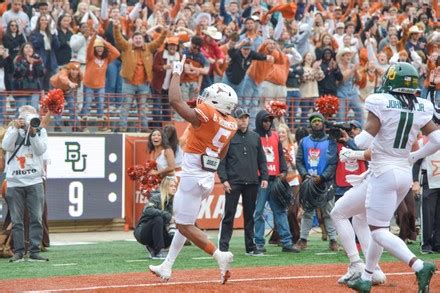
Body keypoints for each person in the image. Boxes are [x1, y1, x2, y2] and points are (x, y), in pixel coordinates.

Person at [341, 62, 437, 292]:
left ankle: (419, 265)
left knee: (379, 231)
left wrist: (351, 145)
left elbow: (364, 141)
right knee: (379, 225)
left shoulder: (380, 101)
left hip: (383, 171)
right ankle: (366, 277)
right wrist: (415, 156)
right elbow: (437, 140)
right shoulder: (422, 105)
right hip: (404, 171)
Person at [149, 56, 238, 284]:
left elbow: (176, 102)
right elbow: (223, 153)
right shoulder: (232, 123)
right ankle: (167, 266)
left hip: (192, 176)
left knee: (182, 224)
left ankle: (219, 255)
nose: (205, 99)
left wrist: (177, 73)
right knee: (184, 222)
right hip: (206, 177)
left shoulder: (208, 114)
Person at [217, 107, 268, 255]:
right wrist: (224, 180)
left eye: (245, 117)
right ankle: (223, 247)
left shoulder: (255, 137)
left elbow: (262, 159)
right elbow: (221, 160)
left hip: (252, 182)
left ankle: (250, 247)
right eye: (240, 118)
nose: (243, 120)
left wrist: (264, 177)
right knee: (229, 215)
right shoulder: (228, 137)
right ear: (234, 119)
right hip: (234, 182)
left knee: (250, 216)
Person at [2, 105, 48, 262]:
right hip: (14, 182)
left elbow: (41, 150)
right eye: (26, 118)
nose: (30, 121)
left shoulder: (40, 131)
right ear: (20, 118)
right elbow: (6, 146)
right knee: (17, 220)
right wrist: (15, 128)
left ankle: (34, 251)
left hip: (34, 180)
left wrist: (33, 132)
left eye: (32, 118)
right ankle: (19, 252)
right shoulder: (13, 129)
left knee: (36, 218)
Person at [253, 109, 299, 253]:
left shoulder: (274, 136)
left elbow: (280, 154)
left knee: (280, 211)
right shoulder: (253, 136)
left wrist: (284, 171)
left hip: (276, 179)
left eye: (269, 120)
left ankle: (286, 242)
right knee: (258, 212)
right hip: (260, 181)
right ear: (259, 121)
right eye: (264, 120)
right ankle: (259, 243)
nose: (267, 123)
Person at [294, 112, 338, 252]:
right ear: (310, 124)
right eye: (314, 121)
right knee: (307, 212)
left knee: (328, 212)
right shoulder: (304, 141)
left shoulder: (330, 141)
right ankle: (303, 240)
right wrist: (305, 175)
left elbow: (333, 163)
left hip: (325, 182)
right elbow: (299, 161)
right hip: (309, 182)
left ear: (323, 124)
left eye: (319, 121)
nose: (317, 123)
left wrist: (323, 177)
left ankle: (333, 240)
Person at [113, 22, 166, 132]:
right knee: (125, 107)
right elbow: (118, 39)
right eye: (136, 38)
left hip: (143, 84)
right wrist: (116, 27)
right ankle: (122, 128)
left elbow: (159, 42)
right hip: (129, 83)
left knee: (142, 109)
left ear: (143, 40)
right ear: (132, 40)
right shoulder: (127, 46)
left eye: (140, 38)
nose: (138, 40)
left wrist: (164, 32)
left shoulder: (149, 47)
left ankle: (144, 128)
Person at [134, 176, 177, 259]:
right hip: (142, 231)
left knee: (174, 235)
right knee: (158, 218)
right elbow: (148, 210)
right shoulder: (156, 198)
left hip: (160, 231)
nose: (174, 188)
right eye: (171, 186)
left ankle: (152, 247)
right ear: (165, 187)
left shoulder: (175, 201)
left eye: (175, 186)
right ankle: (158, 251)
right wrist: (168, 216)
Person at [51, 60, 83, 132]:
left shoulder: (80, 75)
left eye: (76, 70)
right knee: (58, 108)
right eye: (73, 69)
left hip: (69, 91)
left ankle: (75, 126)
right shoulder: (64, 71)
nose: (74, 72)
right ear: (69, 69)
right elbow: (63, 78)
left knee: (73, 107)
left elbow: (77, 86)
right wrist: (69, 83)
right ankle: (57, 126)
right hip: (58, 88)